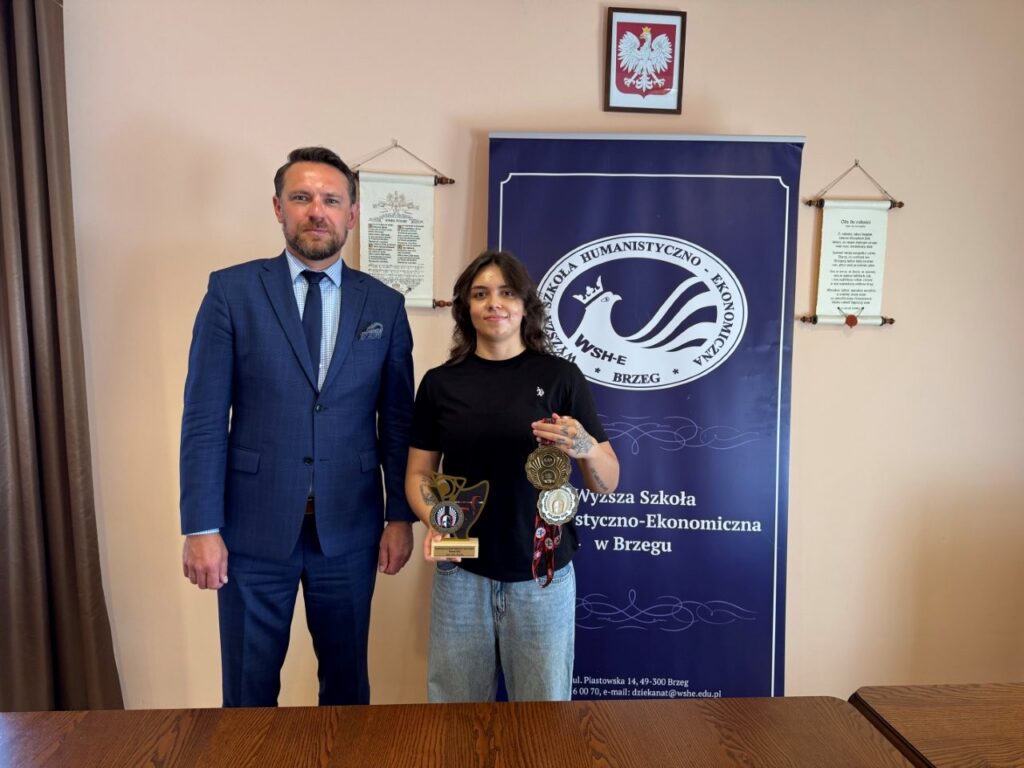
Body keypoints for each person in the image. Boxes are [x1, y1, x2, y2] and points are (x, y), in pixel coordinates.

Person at [179, 146, 415, 707]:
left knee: (347, 691)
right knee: (248, 692)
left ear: (352, 214)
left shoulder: (384, 304)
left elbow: (397, 422)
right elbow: (205, 418)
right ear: (278, 208)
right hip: (251, 530)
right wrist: (201, 527)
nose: (317, 211)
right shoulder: (231, 292)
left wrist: (400, 516)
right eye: (302, 197)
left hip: (351, 530)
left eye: (331, 200)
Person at [405, 250, 619, 702]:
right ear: (466, 307)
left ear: (525, 305)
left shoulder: (561, 377)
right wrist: (436, 520)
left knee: (542, 717)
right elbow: (419, 474)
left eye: (506, 292)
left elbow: (608, 479)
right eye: (480, 294)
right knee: (456, 715)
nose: (494, 303)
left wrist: (583, 444)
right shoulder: (440, 384)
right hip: (461, 574)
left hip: (543, 575)